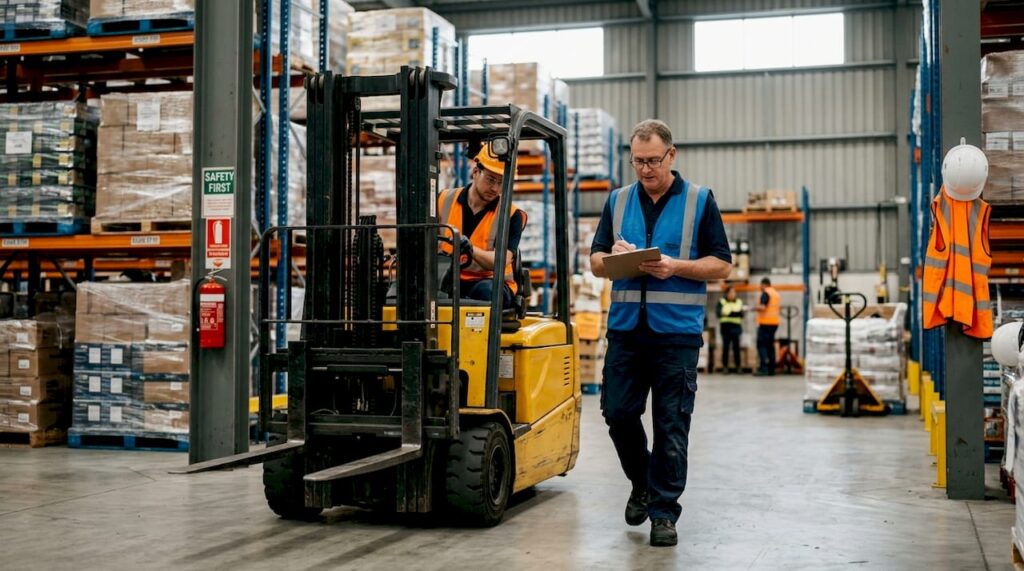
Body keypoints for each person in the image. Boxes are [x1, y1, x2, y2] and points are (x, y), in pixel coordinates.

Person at [590, 119, 732, 547]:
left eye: (653, 160)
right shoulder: (617, 200)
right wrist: (612, 258)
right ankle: (643, 484)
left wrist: (676, 267)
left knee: (671, 425)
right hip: (626, 332)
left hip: (676, 336)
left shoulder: (699, 201)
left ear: (672, 154)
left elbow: (721, 265)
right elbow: (595, 261)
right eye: (638, 161)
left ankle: (664, 513)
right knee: (617, 414)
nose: (645, 169)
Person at [437, 143, 526, 307]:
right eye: (491, 180)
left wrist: (470, 248)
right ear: (475, 172)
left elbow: (500, 261)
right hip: (447, 278)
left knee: (485, 292)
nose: (495, 188)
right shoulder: (443, 200)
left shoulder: (512, 215)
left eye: (502, 183)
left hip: (489, 281)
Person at [754, 277, 781, 376]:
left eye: (761, 285)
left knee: (761, 345)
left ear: (764, 284)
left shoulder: (766, 293)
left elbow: (763, 307)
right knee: (770, 345)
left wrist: (753, 308)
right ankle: (771, 368)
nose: (760, 287)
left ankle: (763, 368)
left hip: (765, 323)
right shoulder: (775, 293)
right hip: (774, 323)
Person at [717, 285, 743, 373]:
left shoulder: (739, 302)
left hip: (736, 328)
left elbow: (742, 314)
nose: (733, 294)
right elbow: (718, 313)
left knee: (737, 348)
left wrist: (728, 314)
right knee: (726, 348)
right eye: (731, 292)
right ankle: (725, 367)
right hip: (725, 328)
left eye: (734, 292)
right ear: (727, 293)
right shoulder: (722, 302)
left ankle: (738, 367)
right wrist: (733, 313)